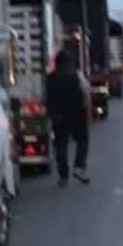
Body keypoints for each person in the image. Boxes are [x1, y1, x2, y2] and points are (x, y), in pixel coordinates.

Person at [44, 51, 91, 187]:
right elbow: (85, 93)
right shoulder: (76, 76)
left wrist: (51, 113)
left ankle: (63, 175)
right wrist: (87, 113)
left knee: (60, 146)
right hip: (77, 115)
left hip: (58, 117)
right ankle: (79, 167)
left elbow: (47, 97)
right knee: (82, 142)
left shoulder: (50, 78)